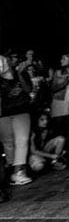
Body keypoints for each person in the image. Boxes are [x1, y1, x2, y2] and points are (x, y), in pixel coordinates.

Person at [0, 53, 32, 185]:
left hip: (21, 110)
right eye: (10, 58)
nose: (14, 60)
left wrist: (19, 74)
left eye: (15, 58)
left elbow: (28, 89)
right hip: (4, 112)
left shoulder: (22, 73)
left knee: (22, 139)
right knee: (7, 141)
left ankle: (19, 171)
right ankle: (12, 171)